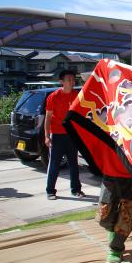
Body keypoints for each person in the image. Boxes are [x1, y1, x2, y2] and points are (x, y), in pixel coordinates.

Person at [45, 69, 85, 200]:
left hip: (71, 135)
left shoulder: (77, 95)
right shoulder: (54, 96)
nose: (72, 81)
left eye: (73, 79)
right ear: (61, 82)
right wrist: (46, 136)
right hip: (57, 134)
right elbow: (48, 117)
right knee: (54, 164)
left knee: (74, 163)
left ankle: (76, 190)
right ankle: (50, 191)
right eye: (69, 79)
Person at [96, 174, 132, 263]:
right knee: (103, 215)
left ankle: (116, 249)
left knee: (126, 216)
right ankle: (113, 229)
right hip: (109, 174)